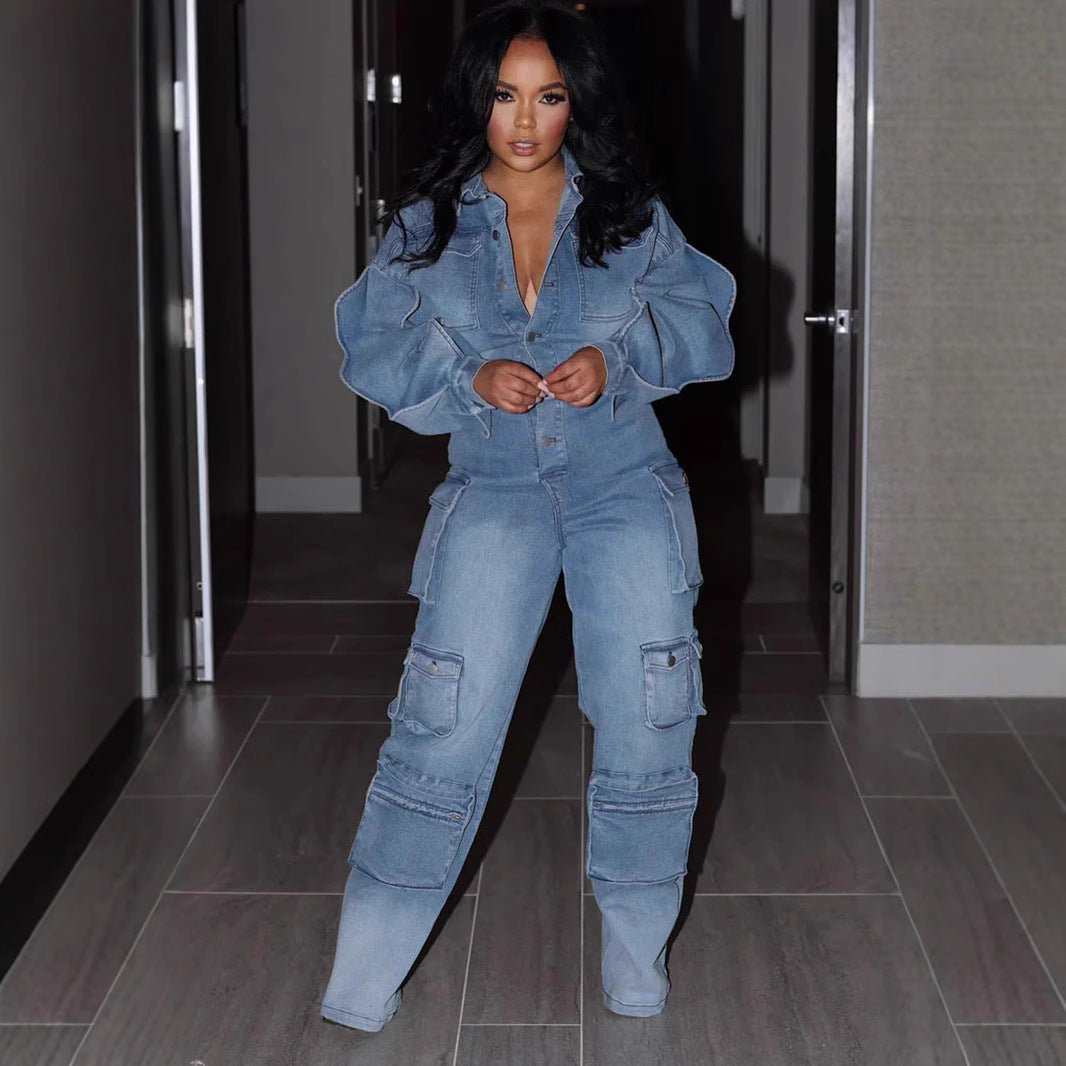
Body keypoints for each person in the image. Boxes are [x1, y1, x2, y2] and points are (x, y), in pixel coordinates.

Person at [320, 0, 735, 1032]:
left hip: (625, 486)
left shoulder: (632, 215)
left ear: (575, 105)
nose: (523, 119)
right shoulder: (427, 225)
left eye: (548, 97)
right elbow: (373, 343)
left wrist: (617, 358)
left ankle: (637, 955)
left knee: (649, 720)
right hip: (493, 490)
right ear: (478, 99)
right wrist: (467, 376)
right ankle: (363, 974)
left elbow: (703, 326)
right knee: (442, 725)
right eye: (505, 95)